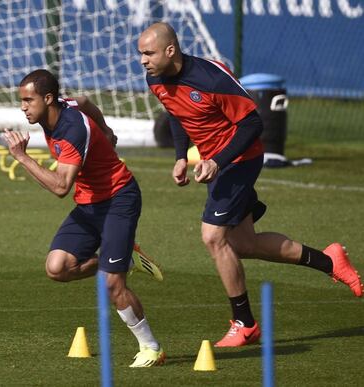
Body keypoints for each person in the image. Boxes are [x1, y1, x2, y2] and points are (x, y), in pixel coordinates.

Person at [138, 22, 363, 347]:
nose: (143, 61)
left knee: (213, 237)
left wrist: (218, 160)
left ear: (170, 50)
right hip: (215, 164)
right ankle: (330, 260)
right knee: (243, 244)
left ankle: (244, 323)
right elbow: (176, 113)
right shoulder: (155, 80)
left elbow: (253, 123)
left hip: (240, 159)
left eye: (148, 53)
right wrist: (179, 156)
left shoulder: (211, 77)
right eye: (140, 54)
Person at [3, 69, 165, 367]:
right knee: (57, 268)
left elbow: (61, 187)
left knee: (111, 284)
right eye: (21, 101)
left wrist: (23, 157)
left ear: (48, 99)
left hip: (119, 200)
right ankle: (126, 257)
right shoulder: (66, 105)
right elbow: (87, 101)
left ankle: (151, 347)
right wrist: (106, 131)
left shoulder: (71, 128)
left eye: (28, 100)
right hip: (89, 204)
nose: (23, 106)